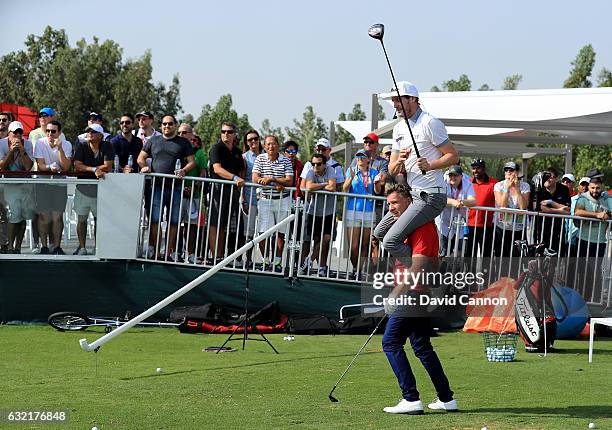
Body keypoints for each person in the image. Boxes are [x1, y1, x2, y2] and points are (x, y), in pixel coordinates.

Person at [381, 184, 457, 415]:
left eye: (395, 203)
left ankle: (410, 398)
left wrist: (397, 292)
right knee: (422, 346)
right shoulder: (408, 225)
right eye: (388, 204)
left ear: (410, 202)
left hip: (414, 292)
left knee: (390, 342)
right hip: (417, 292)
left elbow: (420, 265)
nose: (391, 208)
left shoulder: (422, 226)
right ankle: (446, 398)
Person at [374, 81, 459, 267]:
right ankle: (425, 266)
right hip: (413, 195)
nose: (395, 104)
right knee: (379, 233)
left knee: (390, 241)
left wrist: (430, 165)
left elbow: (453, 156)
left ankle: (431, 270)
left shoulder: (430, 123)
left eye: (398, 100)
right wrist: (399, 161)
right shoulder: (398, 128)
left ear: (413, 99)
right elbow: (391, 170)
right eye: (393, 100)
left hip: (431, 196)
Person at [137, 115, 195, 261]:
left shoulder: (183, 142)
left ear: (175, 125)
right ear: (161, 125)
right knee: (155, 220)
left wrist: (184, 171)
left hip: (176, 188)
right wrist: (144, 167)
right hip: (156, 187)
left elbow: (192, 162)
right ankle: (156, 252)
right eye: (164, 124)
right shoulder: (153, 141)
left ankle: (167, 253)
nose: (167, 126)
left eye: (170, 124)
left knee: (174, 221)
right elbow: (140, 158)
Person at [252, 135, 293, 272]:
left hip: (283, 200)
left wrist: (273, 179)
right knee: (263, 233)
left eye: (274, 144)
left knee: (281, 233)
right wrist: (269, 182)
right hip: (265, 200)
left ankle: (277, 262)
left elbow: (289, 181)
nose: (271, 146)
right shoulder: (260, 158)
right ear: (264, 146)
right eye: (268, 144)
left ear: (278, 145)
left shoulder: (285, 160)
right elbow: (255, 178)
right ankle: (265, 261)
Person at [72, 123, 114, 255]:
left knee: (99, 221)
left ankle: (98, 248)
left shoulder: (107, 146)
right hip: (83, 189)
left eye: (94, 132)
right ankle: (82, 247)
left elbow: (108, 166)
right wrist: (94, 169)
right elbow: (77, 166)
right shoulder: (82, 146)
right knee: (82, 220)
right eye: (89, 131)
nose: (90, 133)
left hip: (100, 191)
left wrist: (89, 168)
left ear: (101, 136)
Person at [342, 149, 383, 279]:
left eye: (362, 156)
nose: (359, 158)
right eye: (357, 156)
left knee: (365, 245)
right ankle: (355, 267)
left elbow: (377, 191)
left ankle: (358, 271)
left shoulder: (374, 172)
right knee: (353, 246)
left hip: (369, 211)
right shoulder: (352, 170)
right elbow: (344, 188)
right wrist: (351, 177)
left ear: (368, 159)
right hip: (353, 210)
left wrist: (377, 183)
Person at [207, 122, 245, 261]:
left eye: (229, 132)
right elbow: (217, 169)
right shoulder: (216, 148)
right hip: (218, 191)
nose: (226, 134)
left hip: (233, 192)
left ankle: (221, 257)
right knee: (214, 223)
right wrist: (234, 177)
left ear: (234, 134)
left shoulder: (236, 151)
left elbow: (242, 168)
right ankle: (216, 257)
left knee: (224, 225)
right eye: (223, 131)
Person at [34, 120, 72, 255]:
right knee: (43, 216)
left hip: (59, 184)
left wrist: (60, 149)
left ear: (59, 132)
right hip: (43, 184)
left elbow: (66, 167)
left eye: (53, 131)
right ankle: (44, 246)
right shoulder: (40, 142)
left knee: (57, 217)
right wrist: (50, 167)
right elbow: (41, 166)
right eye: (48, 131)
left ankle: (56, 247)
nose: (50, 133)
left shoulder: (66, 144)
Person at [0, 121, 34, 254]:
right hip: (9, 185)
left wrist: (22, 150)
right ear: (9, 133)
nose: (18, 135)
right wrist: (11, 151)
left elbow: (28, 167)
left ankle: (18, 247)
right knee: (14, 216)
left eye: (20, 132)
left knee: (23, 216)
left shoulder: (28, 144)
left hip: (25, 184)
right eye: (15, 133)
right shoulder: (2, 144)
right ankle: (9, 246)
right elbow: (2, 167)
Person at [301, 153, 337, 276]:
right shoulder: (311, 172)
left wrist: (319, 186)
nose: (316, 166)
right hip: (314, 211)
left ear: (324, 164)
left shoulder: (331, 170)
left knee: (326, 239)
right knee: (317, 239)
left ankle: (310, 261)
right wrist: (323, 184)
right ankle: (319, 267)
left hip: (329, 211)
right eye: (314, 164)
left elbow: (332, 187)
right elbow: (308, 186)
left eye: (319, 164)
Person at [178, 124, 207, 264]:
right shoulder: (176, 149)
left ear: (191, 134)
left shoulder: (199, 153)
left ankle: (190, 254)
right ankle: (175, 253)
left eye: (184, 132)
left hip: (194, 196)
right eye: (180, 132)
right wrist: (182, 188)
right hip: (177, 193)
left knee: (192, 227)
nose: (181, 135)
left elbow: (203, 173)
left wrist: (193, 188)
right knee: (175, 225)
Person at [493, 161, 530, 269]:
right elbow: (502, 205)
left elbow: (523, 207)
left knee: (517, 260)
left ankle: (515, 284)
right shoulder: (499, 185)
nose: (508, 172)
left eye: (511, 170)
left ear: (517, 172)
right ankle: (502, 283)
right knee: (501, 259)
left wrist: (517, 190)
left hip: (518, 228)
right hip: (502, 227)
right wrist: (507, 188)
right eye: (506, 170)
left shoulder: (525, 186)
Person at [436, 165, 476, 257]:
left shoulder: (467, 184)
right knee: (442, 253)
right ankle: (441, 270)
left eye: (455, 175)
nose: (452, 178)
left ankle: (454, 270)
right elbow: (440, 199)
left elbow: (473, 201)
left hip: (460, 226)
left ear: (461, 176)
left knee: (459, 253)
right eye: (451, 175)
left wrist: (462, 202)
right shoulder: (443, 182)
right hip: (443, 225)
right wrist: (453, 202)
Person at [465, 159, 497, 262]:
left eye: (478, 168)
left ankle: (486, 277)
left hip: (487, 226)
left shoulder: (494, 183)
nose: (475, 171)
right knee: (469, 256)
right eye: (473, 168)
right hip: (469, 225)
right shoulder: (468, 182)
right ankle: (470, 277)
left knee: (486, 256)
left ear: (484, 169)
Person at [536, 167, 570, 252]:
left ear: (556, 179)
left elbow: (568, 211)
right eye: (545, 177)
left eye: (550, 177)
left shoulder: (563, 189)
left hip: (558, 229)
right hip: (541, 228)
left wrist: (552, 203)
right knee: (541, 256)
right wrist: (560, 210)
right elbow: (541, 209)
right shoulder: (539, 188)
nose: (547, 179)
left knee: (557, 257)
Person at [241, 130, 262, 243]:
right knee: (249, 232)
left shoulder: (267, 155)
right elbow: (242, 179)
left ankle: (265, 259)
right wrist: (243, 199)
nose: (253, 141)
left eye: (255, 138)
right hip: (250, 198)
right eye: (250, 139)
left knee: (264, 231)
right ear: (246, 142)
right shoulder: (244, 157)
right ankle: (248, 260)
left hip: (265, 199)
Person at [0, 111, 13, 253]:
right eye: (0, 120)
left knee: (6, 215)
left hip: (11, 183)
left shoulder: (16, 138)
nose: (1, 122)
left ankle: (5, 244)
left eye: (4, 120)